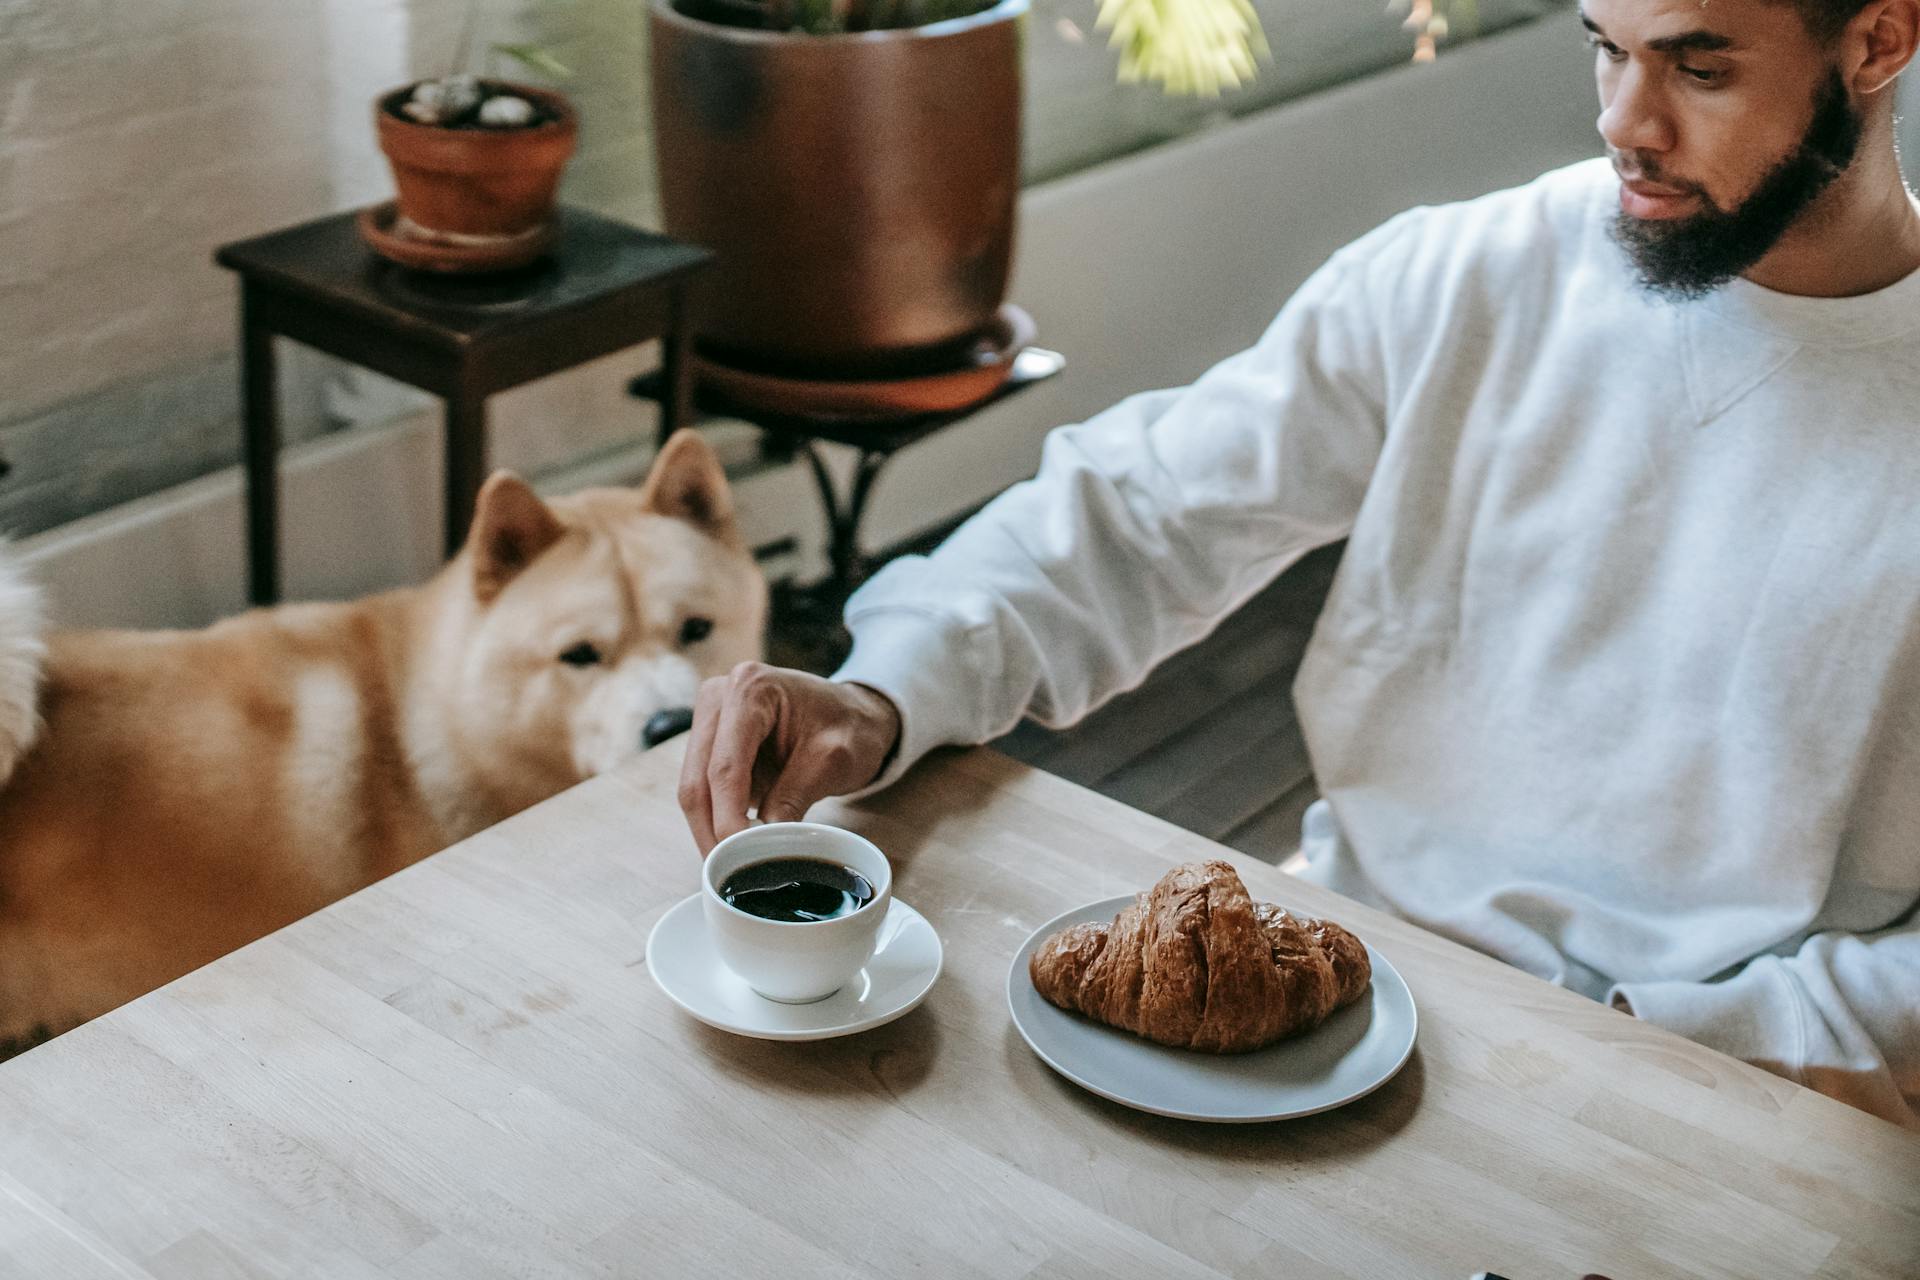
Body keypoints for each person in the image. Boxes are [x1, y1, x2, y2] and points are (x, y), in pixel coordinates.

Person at [678, 0, 1920, 1128]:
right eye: (1605, 45)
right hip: (1351, 1007)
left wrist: (1687, 1043)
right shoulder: (1465, 276)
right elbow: (1144, 512)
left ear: (1876, 43)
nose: (1621, 121)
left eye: (1698, 69)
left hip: (1729, 1091)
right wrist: (881, 689)